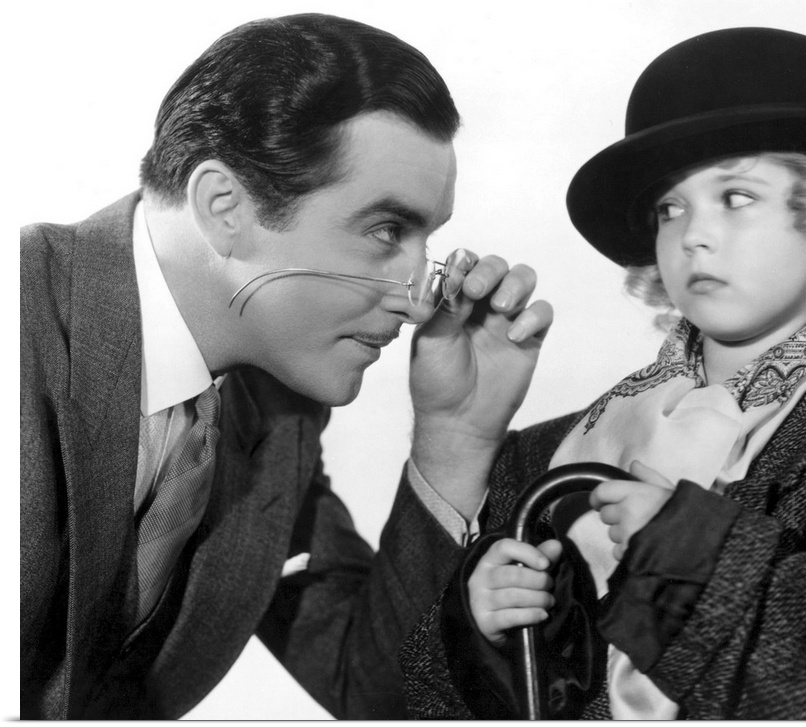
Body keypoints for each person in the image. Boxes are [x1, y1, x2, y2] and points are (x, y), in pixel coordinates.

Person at [398, 27, 806, 720]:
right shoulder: (542, 456)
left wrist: (693, 558)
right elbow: (418, 697)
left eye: (735, 197)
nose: (693, 233)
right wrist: (481, 632)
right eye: (671, 208)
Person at [19, 13, 553, 720]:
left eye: (427, 240)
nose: (422, 298)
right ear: (225, 206)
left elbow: (373, 691)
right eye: (387, 230)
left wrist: (454, 438)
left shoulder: (274, 408)